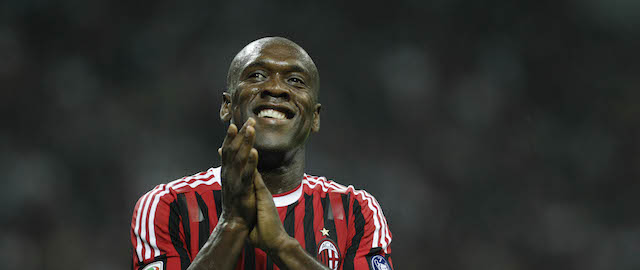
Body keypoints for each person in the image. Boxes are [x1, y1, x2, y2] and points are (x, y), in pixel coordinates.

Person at [130, 37, 393, 270]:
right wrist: (231, 225)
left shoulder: (355, 210)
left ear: (314, 117)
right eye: (256, 75)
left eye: (295, 81)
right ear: (227, 106)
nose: (276, 88)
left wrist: (282, 246)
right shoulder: (168, 205)